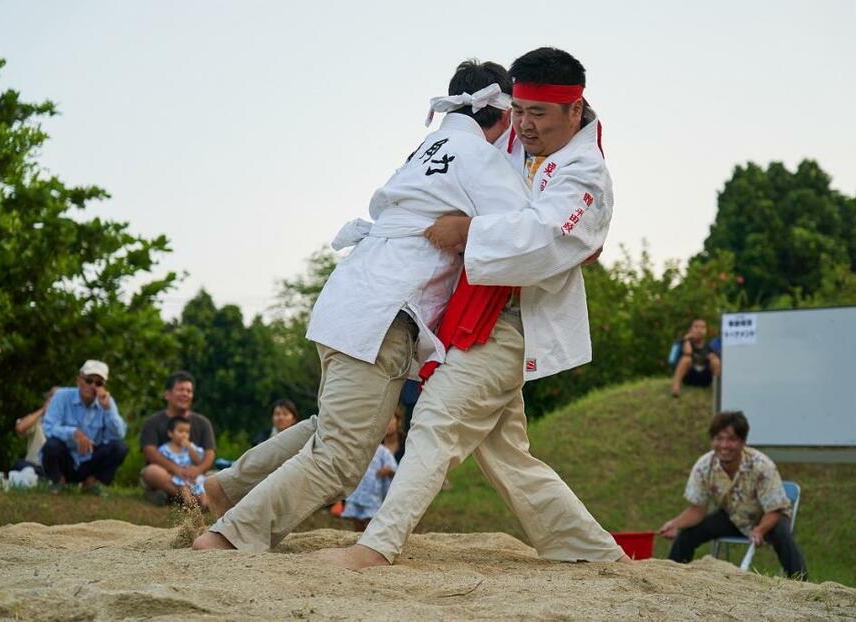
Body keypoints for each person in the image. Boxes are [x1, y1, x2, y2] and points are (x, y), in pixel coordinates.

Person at [192, 59, 531, 552]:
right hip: (384, 313)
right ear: (501, 114)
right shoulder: (480, 157)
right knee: (342, 456)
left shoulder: (426, 148)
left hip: (352, 299)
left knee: (332, 428)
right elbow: (526, 227)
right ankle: (229, 538)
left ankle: (229, 486)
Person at [316, 47, 628, 569]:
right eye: (519, 110)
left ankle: (377, 544)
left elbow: (548, 238)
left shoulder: (586, 173)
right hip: (469, 309)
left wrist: (469, 231)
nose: (523, 126)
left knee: (436, 419)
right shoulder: (513, 136)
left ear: (575, 110)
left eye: (538, 115)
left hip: (513, 319)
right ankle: (591, 551)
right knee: (507, 454)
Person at [657, 411, 808, 579]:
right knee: (688, 533)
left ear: (743, 442)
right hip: (733, 516)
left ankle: (801, 582)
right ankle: (670, 577)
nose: (724, 445)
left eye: (731, 439)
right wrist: (676, 524)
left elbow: (774, 510)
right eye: (719, 439)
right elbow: (697, 510)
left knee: (783, 535)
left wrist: (760, 530)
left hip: (767, 517)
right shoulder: (703, 466)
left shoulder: (762, 466)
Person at [40, 360, 128, 495]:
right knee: (52, 445)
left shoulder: (107, 403)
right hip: (66, 457)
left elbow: (119, 435)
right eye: (88, 380)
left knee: (120, 447)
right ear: (79, 380)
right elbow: (48, 427)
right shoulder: (62, 396)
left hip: (90, 459)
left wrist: (108, 410)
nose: (92, 386)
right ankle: (58, 481)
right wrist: (73, 433)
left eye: (98, 383)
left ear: (103, 386)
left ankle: (92, 483)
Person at [140, 371, 216, 506]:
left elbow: (210, 454)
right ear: (167, 394)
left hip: (196, 475)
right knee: (151, 472)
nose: (185, 394)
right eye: (181, 389)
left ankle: (173, 497)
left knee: (218, 477)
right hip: (166, 473)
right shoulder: (153, 422)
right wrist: (176, 470)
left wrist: (197, 470)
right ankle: (192, 499)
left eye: (189, 391)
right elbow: (150, 451)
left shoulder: (203, 423)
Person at [341, 416, 399, 531]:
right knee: (357, 519)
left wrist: (387, 470)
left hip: (373, 494)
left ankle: (367, 537)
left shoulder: (383, 451)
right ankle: (357, 536)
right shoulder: (356, 449)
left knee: (370, 520)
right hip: (357, 492)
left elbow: (393, 468)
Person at [158, 416, 209, 506]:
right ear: (170, 433)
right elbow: (163, 464)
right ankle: (189, 504)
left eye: (187, 432)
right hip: (179, 477)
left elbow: (197, 461)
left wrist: (189, 447)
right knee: (183, 487)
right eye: (180, 431)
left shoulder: (190, 447)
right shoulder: (165, 449)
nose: (184, 435)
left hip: (193, 476)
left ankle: (205, 505)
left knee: (202, 485)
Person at [12, 386, 58, 475]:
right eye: (53, 397)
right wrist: (42, 410)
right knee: (18, 464)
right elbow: (20, 428)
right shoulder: (37, 420)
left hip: (56, 470)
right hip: (34, 467)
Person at [670, 318, 721, 398]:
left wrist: (713, 357)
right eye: (696, 327)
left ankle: (717, 389)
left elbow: (718, 360)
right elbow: (688, 352)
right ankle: (675, 388)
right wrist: (687, 339)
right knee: (686, 359)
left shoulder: (709, 346)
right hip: (689, 377)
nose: (699, 330)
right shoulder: (682, 341)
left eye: (703, 327)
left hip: (705, 379)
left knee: (716, 360)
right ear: (690, 330)